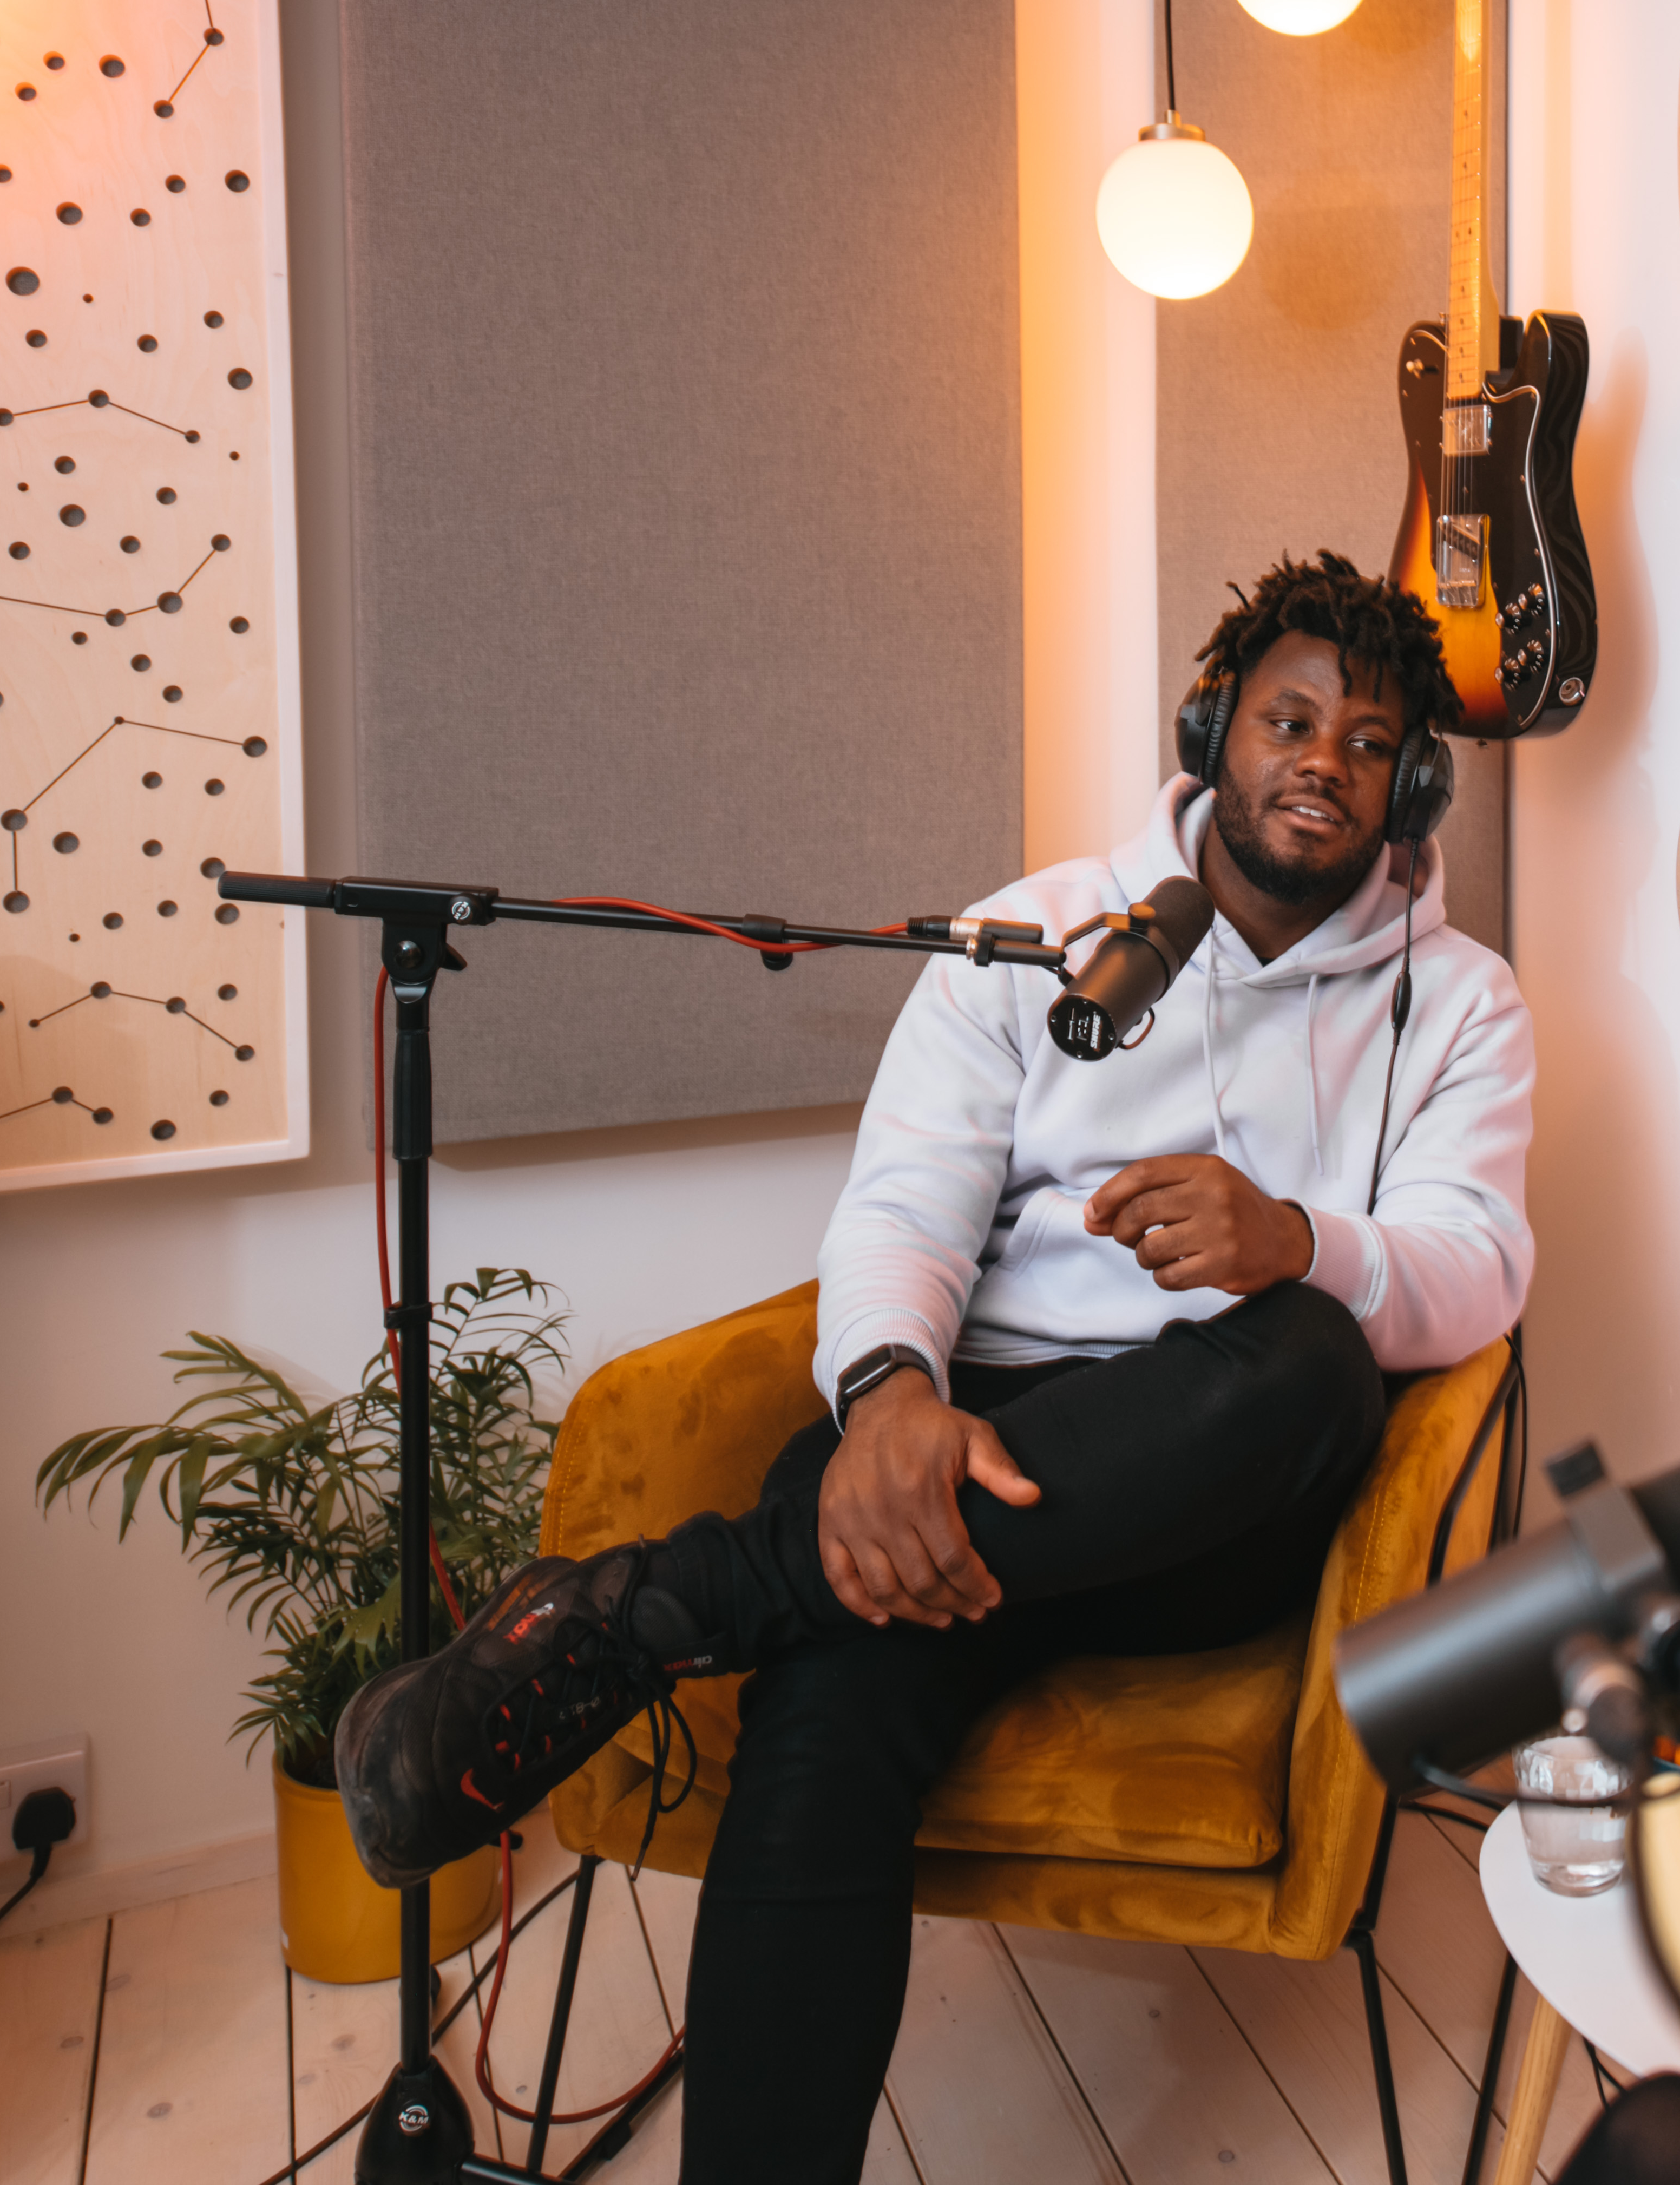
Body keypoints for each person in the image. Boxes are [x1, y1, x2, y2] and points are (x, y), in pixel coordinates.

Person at [329, 551, 1535, 2182]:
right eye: (1289, 717)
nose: (1323, 758)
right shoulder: (1036, 934)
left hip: (1202, 1497)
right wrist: (895, 1395)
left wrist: (1296, 1241)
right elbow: (905, 1202)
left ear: (1413, 785)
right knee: (832, 1709)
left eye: (1369, 739)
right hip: (969, 1433)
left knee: (1311, 1363)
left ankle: (667, 1603)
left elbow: (1481, 1267)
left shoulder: (1458, 1004)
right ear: (1214, 728)